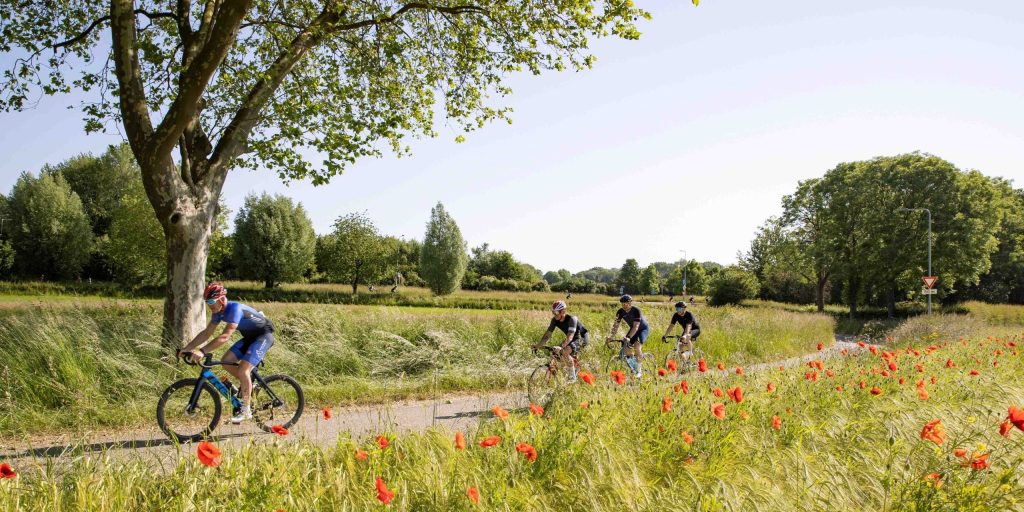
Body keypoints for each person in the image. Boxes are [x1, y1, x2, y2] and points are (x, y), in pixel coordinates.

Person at [178, 282, 275, 424]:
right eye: (207, 302)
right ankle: (249, 385)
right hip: (250, 338)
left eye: (211, 301)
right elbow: (206, 333)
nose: (209, 305)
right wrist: (187, 348)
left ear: (222, 299)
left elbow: (224, 337)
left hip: (263, 336)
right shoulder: (218, 313)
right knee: (226, 360)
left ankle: (246, 410)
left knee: (243, 370)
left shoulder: (234, 308)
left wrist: (202, 351)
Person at [534, 300, 589, 383]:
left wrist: (561, 347)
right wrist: (538, 345)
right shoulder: (554, 320)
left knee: (565, 352)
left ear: (563, 311)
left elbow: (570, 337)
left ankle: (572, 377)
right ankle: (570, 367)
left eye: (556, 312)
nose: (554, 315)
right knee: (554, 353)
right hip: (571, 338)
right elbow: (547, 335)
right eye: (553, 312)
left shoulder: (572, 319)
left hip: (582, 338)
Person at [608, 294, 650, 377]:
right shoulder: (620, 312)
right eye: (622, 304)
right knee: (626, 348)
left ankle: (639, 371)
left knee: (637, 346)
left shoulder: (636, 310)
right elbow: (615, 326)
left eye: (626, 304)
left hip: (642, 329)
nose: (624, 306)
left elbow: (636, 326)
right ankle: (634, 365)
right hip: (633, 330)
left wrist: (628, 337)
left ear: (630, 303)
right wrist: (610, 336)